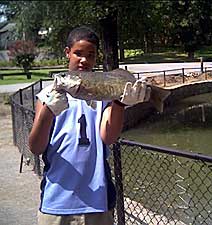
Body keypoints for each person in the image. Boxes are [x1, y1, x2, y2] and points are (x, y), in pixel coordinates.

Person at [29, 26, 148, 225]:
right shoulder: (47, 96)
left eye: (90, 55)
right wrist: (48, 110)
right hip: (56, 202)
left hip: (97, 201)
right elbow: (35, 146)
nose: (84, 60)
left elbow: (108, 138)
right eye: (78, 53)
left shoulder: (103, 95)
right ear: (67, 53)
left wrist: (120, 104)